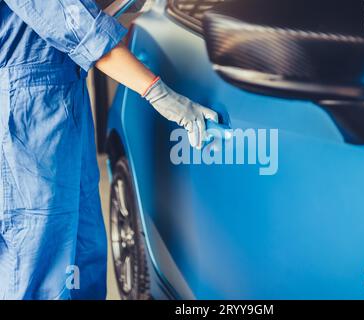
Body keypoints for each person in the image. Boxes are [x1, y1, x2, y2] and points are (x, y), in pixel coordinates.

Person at [0, 0, 218, 299]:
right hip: (26, 108)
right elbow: (77, 24)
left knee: (83, 248)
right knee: (39, 253)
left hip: (62, 98)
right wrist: (158, 92)